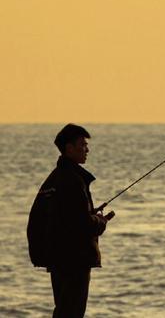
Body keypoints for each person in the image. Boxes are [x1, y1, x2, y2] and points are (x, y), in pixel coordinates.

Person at [29, 124, 114, 318]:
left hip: (58, 259)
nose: (87, 149)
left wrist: (91, 214)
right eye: (83, 145)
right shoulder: (73, 180)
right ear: (69, 148)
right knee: (71, 312)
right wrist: (100, 221)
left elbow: (61, 217)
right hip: (74, 259)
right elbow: (82, 225)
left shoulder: (54, 178)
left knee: (64, 309)